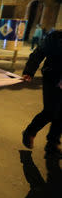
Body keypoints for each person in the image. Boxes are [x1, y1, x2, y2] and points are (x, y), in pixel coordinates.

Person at [22, 29, 61, 158]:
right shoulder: (55, 36)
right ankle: (30, 132)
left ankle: (52, 143)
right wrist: (29, 71)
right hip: (52, 78)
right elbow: (38, 53)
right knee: (50, 111)